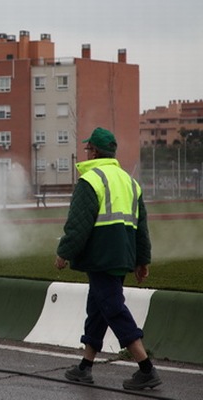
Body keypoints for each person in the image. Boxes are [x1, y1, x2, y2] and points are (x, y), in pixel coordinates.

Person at [55, 127, 162, 391]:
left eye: (87, 148)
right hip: (121, 255)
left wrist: (64, 252)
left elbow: (78, 224)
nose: (85, 152)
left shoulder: (91, 180)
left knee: (112, 307)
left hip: (101, 256)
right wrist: (142, 260)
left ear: (94, 151)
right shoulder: (129, 181)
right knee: (98, 308)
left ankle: (146, 368)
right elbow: (141, 226)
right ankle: (85, 367)